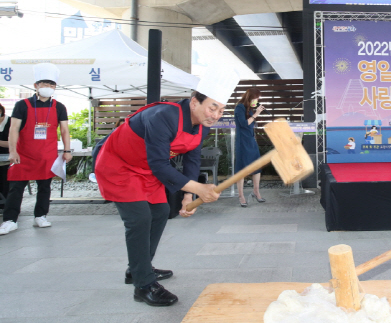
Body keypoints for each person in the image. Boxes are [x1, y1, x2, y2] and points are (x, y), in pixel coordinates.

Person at [94, 70, 240, 306]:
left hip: (147, 170)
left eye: (221, 110)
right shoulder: (164, 116)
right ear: (194, 102)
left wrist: (188, 196)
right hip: (119, 165)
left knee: (161, 212)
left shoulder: (202, 125)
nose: (216, 115)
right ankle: (143, 285)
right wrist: (199, 188)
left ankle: (138, 268)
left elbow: (192, 160)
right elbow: (160, 164)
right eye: (212, 107)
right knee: (140, 218)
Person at [0, 63, 72, 236]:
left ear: (55, 87)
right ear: (36, 86)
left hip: (47, 154)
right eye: (44, 83)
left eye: (51, 84)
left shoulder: (59, 106)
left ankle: (40, 216)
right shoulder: (22, 105)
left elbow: (64, 130)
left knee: (45, 187)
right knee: (16, 187)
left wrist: (67, 151)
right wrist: (12, 151)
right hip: (23, 154)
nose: (48, 87)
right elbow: (14, 129)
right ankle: (10, 220)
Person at [234, 88, 266, 207]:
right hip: (242, 142)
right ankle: (241, 196)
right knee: (242, 169)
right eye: (256, 98)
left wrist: (255, 113)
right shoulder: (240, 107)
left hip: (251, 141)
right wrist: (256, 114)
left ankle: (256, 191)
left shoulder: (250, 109)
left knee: (256, 166)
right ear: (250, 97)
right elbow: (243, 124)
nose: (257, 101)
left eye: (258, 99)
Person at [0, 103, 11, 207]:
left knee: (5, 179)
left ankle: (5, 205)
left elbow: (15, 142)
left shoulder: (12, 122)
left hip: (9, 158)